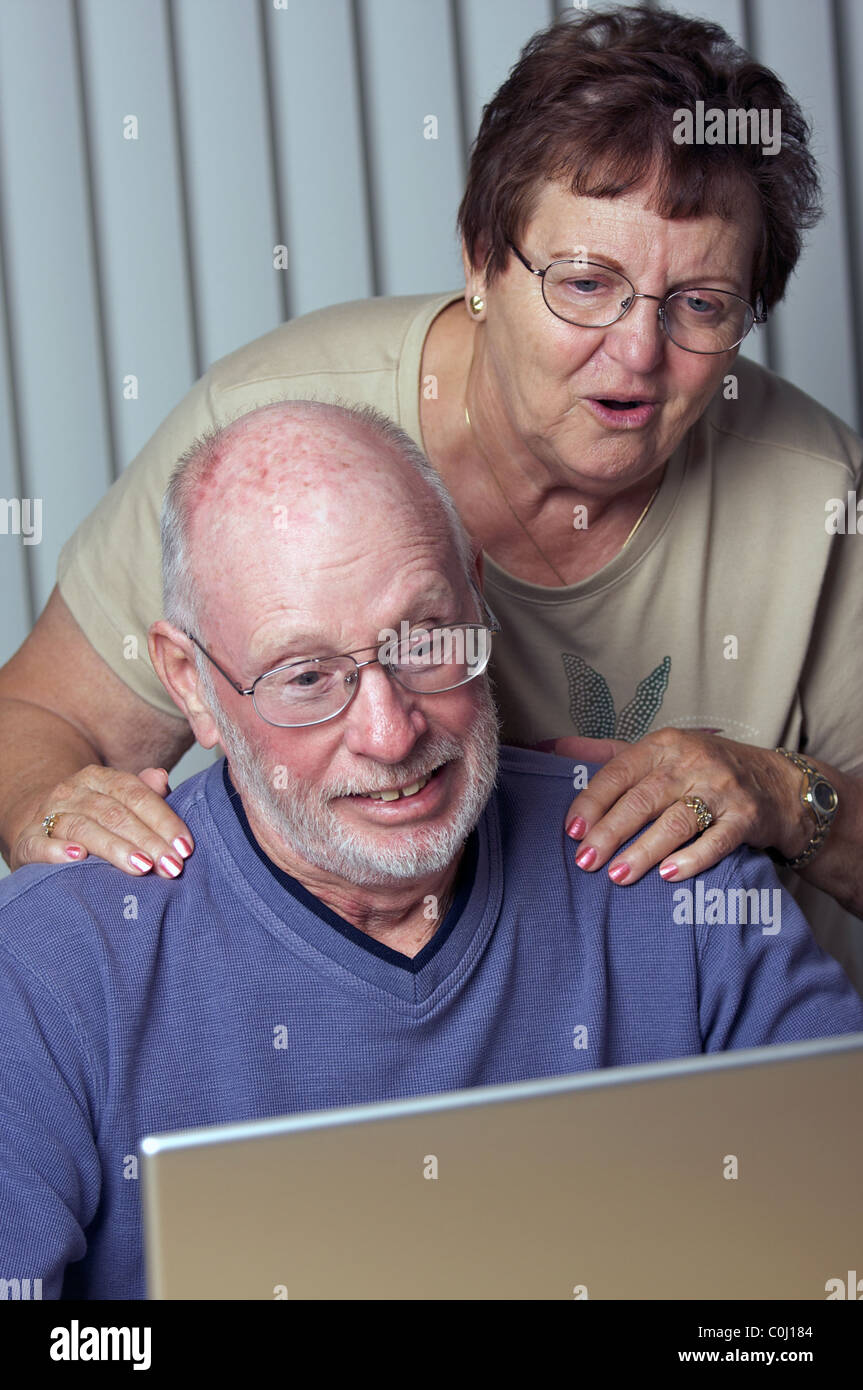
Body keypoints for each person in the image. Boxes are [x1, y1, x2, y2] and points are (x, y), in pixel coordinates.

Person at [1, 6, 862, 990]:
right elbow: (33, 714)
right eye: (584, 284)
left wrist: (794, 798)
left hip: (707, 1062)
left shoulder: (818, 494)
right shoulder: (267, 431)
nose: (634, 351)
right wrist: (49, 807)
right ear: (479, 258)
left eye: (700, 305)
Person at [1, 400, 861, 1300]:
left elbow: (828, 1270)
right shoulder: (51, 966)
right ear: (194, 686)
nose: (388, 732)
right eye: (306, 678)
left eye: (424, 642)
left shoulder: (678, 866)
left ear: (474, 592)